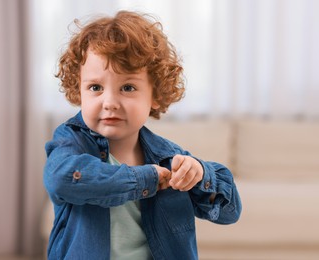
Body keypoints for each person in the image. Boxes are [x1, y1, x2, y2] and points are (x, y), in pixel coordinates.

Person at [43, 10, 242, 260]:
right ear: (78, 90)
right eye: (95, 87)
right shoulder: (72, 142)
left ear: (155, 95)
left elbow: (230, 211)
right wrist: (144, 179)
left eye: (127, 87)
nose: (110, 102)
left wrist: (200, 173)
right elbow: (61, 179)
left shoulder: (169, 157)